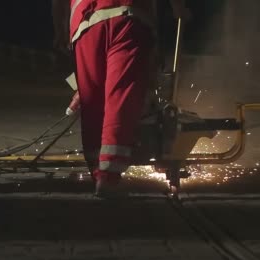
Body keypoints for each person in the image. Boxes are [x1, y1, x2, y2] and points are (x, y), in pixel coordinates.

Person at [52, 0, 190, 197]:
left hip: (85, 25)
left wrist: (60, 29)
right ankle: (108, 177)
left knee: (92, 100)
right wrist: (178, 7)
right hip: (128, 15)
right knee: (120, 96)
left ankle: (98, 172)